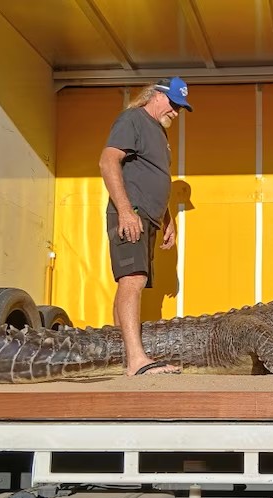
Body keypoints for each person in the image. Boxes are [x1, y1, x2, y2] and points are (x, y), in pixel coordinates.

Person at [98, 77, 193, 376]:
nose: (176, 112)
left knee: (132, 280)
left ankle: (123, 357)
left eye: (181, 107)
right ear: (156, 95)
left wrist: (167, 220)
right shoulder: (133, 119)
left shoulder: (159, 136)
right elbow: (107, 161)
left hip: (148, 217)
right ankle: (137, 360)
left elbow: (154, 177)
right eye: (174, 104)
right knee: (133, 279)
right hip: (132, 213)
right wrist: (126, 211)